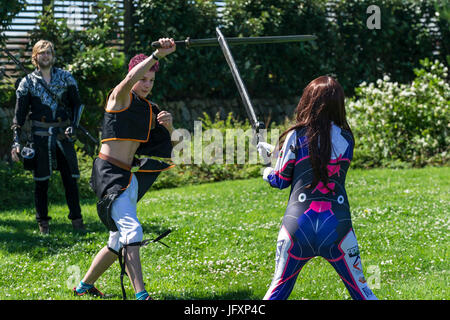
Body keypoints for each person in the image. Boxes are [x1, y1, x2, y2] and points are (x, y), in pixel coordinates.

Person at [73, 38, 176, 300]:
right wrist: (157, 54)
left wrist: (170, 127)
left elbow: (175, 148)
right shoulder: (119, 97)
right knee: (133, 231)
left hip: (128, 177)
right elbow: (131, 77)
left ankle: (84, 286)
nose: (147, 85)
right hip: (108, 174)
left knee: (117, 240)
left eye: (152, 82)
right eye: (144, 79)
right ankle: (141, 295)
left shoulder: (149, 110)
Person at [257, 76, 377, 300]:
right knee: (363, 293)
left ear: (308, 101)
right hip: (337, 226)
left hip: (297, 225)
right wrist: (277, 151)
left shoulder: (295, 135)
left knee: (276, 291)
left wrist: (267, 169)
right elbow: (321, 159)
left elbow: (281, 180)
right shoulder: (347, 138)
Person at [11, 40, 86, 235]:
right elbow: (18, 116)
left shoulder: (66, 78)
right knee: (41, 182)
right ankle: (43, 224)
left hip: (63, 136)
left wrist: (73, 127)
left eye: (49, 53)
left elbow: (78, 105)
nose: (46, 56)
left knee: (70, 181)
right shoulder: (26, 83)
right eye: (42, 53)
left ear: (53, 56)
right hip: (40, 138)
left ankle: (77, 221)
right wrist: (16, 141)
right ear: (35, 57)